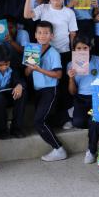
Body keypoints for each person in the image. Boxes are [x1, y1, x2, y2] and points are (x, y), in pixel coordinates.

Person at [25, 21, 67, 162]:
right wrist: (30, 67)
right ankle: (67, 117)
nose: (42, 35)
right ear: (35, 34)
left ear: (52, 36)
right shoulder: (31, 49)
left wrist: (39, 69)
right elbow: (26, 72)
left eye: (46, 33)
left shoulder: (54, 53)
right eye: (40, 32)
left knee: (39, 121)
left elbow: (59, 75)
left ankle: (59, 149)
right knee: (43, 118)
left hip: (50, 89)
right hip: (38, 90)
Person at [66, 36, 99, 164]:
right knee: (78, 123)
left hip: (97, 97)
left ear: (90, 48)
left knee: (94, 121)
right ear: (74, 50)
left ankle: (91, 150)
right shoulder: (71, 64)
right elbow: (72, 92)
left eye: (85, 48)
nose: (82, 51)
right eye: (78, 48)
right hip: (81, 98)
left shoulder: (98, 60)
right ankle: (76, 113)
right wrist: (71, 78)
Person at [0, 45, 27, 139]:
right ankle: (2, 130)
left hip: (9, 95)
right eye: (0, 65)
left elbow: (20, 79)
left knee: (23, 94)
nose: (4, 67)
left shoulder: (13, 67)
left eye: (7, 64)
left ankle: (16, 128)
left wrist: (19, 85)